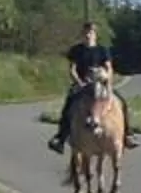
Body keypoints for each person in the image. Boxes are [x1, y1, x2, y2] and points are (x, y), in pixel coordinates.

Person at [47, 19, 135, 153]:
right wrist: (79, 83)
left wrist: (108, 83)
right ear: (82, 34)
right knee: (69, 105)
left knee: (122, 102)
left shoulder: (102, 50)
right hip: (83, 85)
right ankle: (61, 138)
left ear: (95, 34)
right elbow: (72, 69)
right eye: (86, 32)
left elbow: (109, 68)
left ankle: (128, 134)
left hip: (100, 84)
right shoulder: (76, 50)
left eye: (91, 32)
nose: (88, 35)